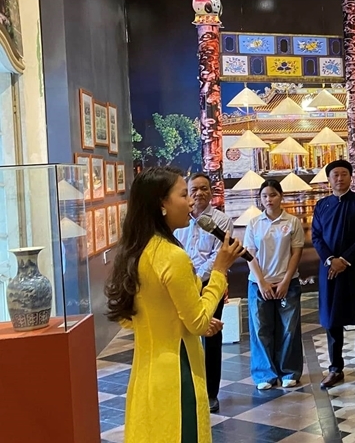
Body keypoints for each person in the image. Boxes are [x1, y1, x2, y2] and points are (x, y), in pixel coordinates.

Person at [105, 167, 244, 443]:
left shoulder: (136, 250)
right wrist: (219, 271)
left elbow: (131, 318)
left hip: (145, 374)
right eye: (183, 194)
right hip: (178, 376)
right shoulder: (173, 256)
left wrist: (179, 320)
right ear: (162, 204)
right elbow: (199, 322)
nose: (191, 201)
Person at [174, 173, 234, 413]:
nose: (199, 193)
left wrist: (197, 279)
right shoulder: (179, 221)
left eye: (204, 188)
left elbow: (218, 255)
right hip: (181, 286)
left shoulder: (221, 220)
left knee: (211, 338)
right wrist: (186, 279)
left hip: (211, 285)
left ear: (211, 192)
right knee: (183, 337)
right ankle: (188, 389)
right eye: (194, 189)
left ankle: (211, 393)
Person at [312, 159, 355, 389]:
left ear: (350, 177)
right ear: (329, 179)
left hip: (354, 269)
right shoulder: (322, 205)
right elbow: (316, 237)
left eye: (344, 174)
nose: (339, 178)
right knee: (332, 320)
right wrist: (331, 260)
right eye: (335, 175)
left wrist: (344, 260)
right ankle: (335, 368)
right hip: (329, 271)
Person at [243, 179, 305, 390]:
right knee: (261, 329)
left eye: (273, 195)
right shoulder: (254, 223)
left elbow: (296, 252)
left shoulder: (292, 222)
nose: (269, 200)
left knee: (289, 329)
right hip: (259, 284)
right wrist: (261, 282)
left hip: (287, 282)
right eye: (264, 196)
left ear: (281, 196)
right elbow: (250, 254)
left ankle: (289, 371)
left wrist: (286, 280)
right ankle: (264, 375)